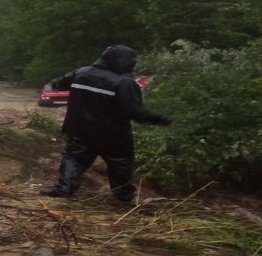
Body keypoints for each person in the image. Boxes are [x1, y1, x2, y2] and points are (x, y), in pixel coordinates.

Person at [41, 45, 170, 203]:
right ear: (123, 62)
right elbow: (136, 112)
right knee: (120, 164)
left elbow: (58, 84)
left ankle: (64, 190)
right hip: (112, 134)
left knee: (74, 159)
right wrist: (162, 119)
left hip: (79, 130)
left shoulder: (81, 73)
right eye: (131, 61)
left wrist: (59, 85)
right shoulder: (125, 83)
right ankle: (122, 197)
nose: (133, 64)